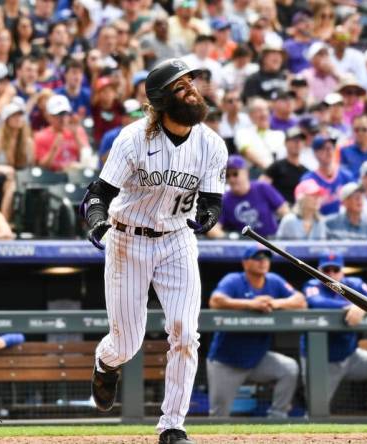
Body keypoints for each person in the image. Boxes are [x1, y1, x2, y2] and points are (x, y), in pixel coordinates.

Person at [79, 59, 226, 444]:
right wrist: (97, 222)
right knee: (127, 343)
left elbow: (211, 200)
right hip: (128, 240)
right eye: (180, 87)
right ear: (162, 102)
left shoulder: (211, 144)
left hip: (177, 240)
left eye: (191, 82)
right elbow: (99, 195)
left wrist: (208, 217)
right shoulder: (132, 139)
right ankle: (105, 362)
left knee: (185, 332)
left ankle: (172, 425)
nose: (192, 90)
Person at [206, 246, 303, 418]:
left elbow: (300, 300)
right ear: (245, 263)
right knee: (218, 417)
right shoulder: (234, 280)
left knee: (289, 368)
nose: (262, 262)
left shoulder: (274, 280)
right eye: (257, 258)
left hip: (257, 359)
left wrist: (275, 303)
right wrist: (251, 304)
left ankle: (277, 416)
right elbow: (216, 300)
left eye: (265, 258)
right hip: (226, 361)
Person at [302, 252, 367, 417]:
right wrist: (352, 305)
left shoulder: (355, 283)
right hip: (320, 361)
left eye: (335, 269)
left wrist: (361, 307)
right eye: (326, 270)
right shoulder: (312, 285)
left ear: (342, 271)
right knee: (315, 410)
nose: (331, 274)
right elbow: (316, 302)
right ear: (318, 271)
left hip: (349, 356)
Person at [209, 155, 288, 238]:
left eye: (235, 174)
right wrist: (229, 237)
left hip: (271, 241)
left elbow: (284, 211)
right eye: (227, 175)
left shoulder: (262, 188)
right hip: (243, 245)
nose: (231, 179)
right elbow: (213, 228)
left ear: (246, 173)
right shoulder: (224, 200)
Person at [0, 101, 32, 220]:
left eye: (20, 115)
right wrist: (2, 169)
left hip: (21, 180)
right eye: (14, 116)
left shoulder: (28, 142)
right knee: (11, 184)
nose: (18, 119)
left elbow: (31, 166)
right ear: (6, 119)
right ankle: (4, 221)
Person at [33, 95, 91, 172]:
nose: (62, 118)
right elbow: (41, 168)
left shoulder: (78, 130)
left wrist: (76, 135)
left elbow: (86, 158)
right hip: (53, 178)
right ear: (49, 116)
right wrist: (54, 149)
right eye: (58, 115)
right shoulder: (40, 136)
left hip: (76, 175)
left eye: (65, 114)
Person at [300, 136, 354, 216]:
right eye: (324, 148)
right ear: (315, 153)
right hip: (319, 224)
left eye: (331, 147)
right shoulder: (308, 180)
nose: (329, 151)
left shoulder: (346, 175)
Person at [266, 127, 308, 205]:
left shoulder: (306, 171)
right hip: (279, 209)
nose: (298, 143)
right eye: (294, 140)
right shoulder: (277, 166)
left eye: (301, 140)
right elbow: (262, 187)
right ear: (285, 143)